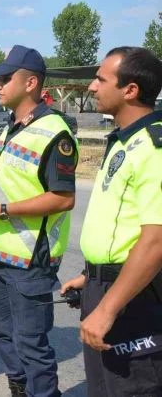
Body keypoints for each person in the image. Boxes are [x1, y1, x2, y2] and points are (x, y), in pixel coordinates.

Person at [0, 45, 78, 397]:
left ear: (31, 82)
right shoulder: (13, 128)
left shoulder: (55, 133)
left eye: (6, 78)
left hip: (29, 263)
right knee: (7, 337)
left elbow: (63, 198)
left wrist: (1, 212)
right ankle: (18, 391)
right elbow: (6, 184)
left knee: (32, 346)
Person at [60, 47, 162, 397]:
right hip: (108, 286)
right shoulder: (124, 141)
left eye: (101, 79)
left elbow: (156, 241)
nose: (91, 86)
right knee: (104, 388)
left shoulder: (154, 147)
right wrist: (92, 275)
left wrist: (107, 308)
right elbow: (122, 227)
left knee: (132, 388)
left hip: (135, 299)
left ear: (130, 90)